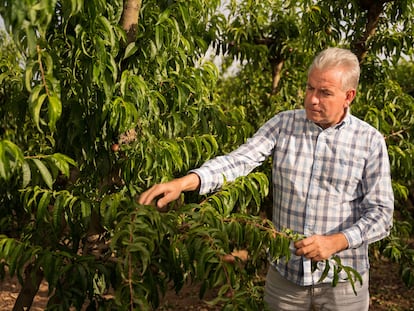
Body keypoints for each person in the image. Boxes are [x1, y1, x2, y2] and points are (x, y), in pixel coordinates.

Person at [138, 47, 394, 311]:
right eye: (310, 89)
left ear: (348, 96)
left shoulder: (369, 141)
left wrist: (336, 241)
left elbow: (381, 214)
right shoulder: (284, 124)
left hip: (342, 282)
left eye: (325, 93)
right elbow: (240, 160)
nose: (313, 100)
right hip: (286, 276)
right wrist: (184, 182)